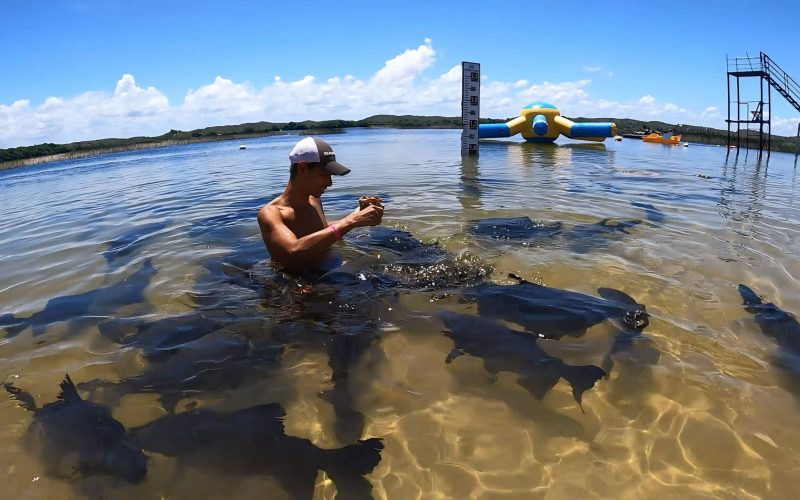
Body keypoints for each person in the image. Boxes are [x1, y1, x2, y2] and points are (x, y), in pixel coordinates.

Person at [257, 137, 383, 269]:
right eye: (324, 175)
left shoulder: (314, 200)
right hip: (304, 282)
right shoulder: (271, 213)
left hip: (332, 269)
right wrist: (351, 221)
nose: (329, 183)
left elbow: (321, 231)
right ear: (303, 167)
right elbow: (293, 251)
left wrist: (358, 215)